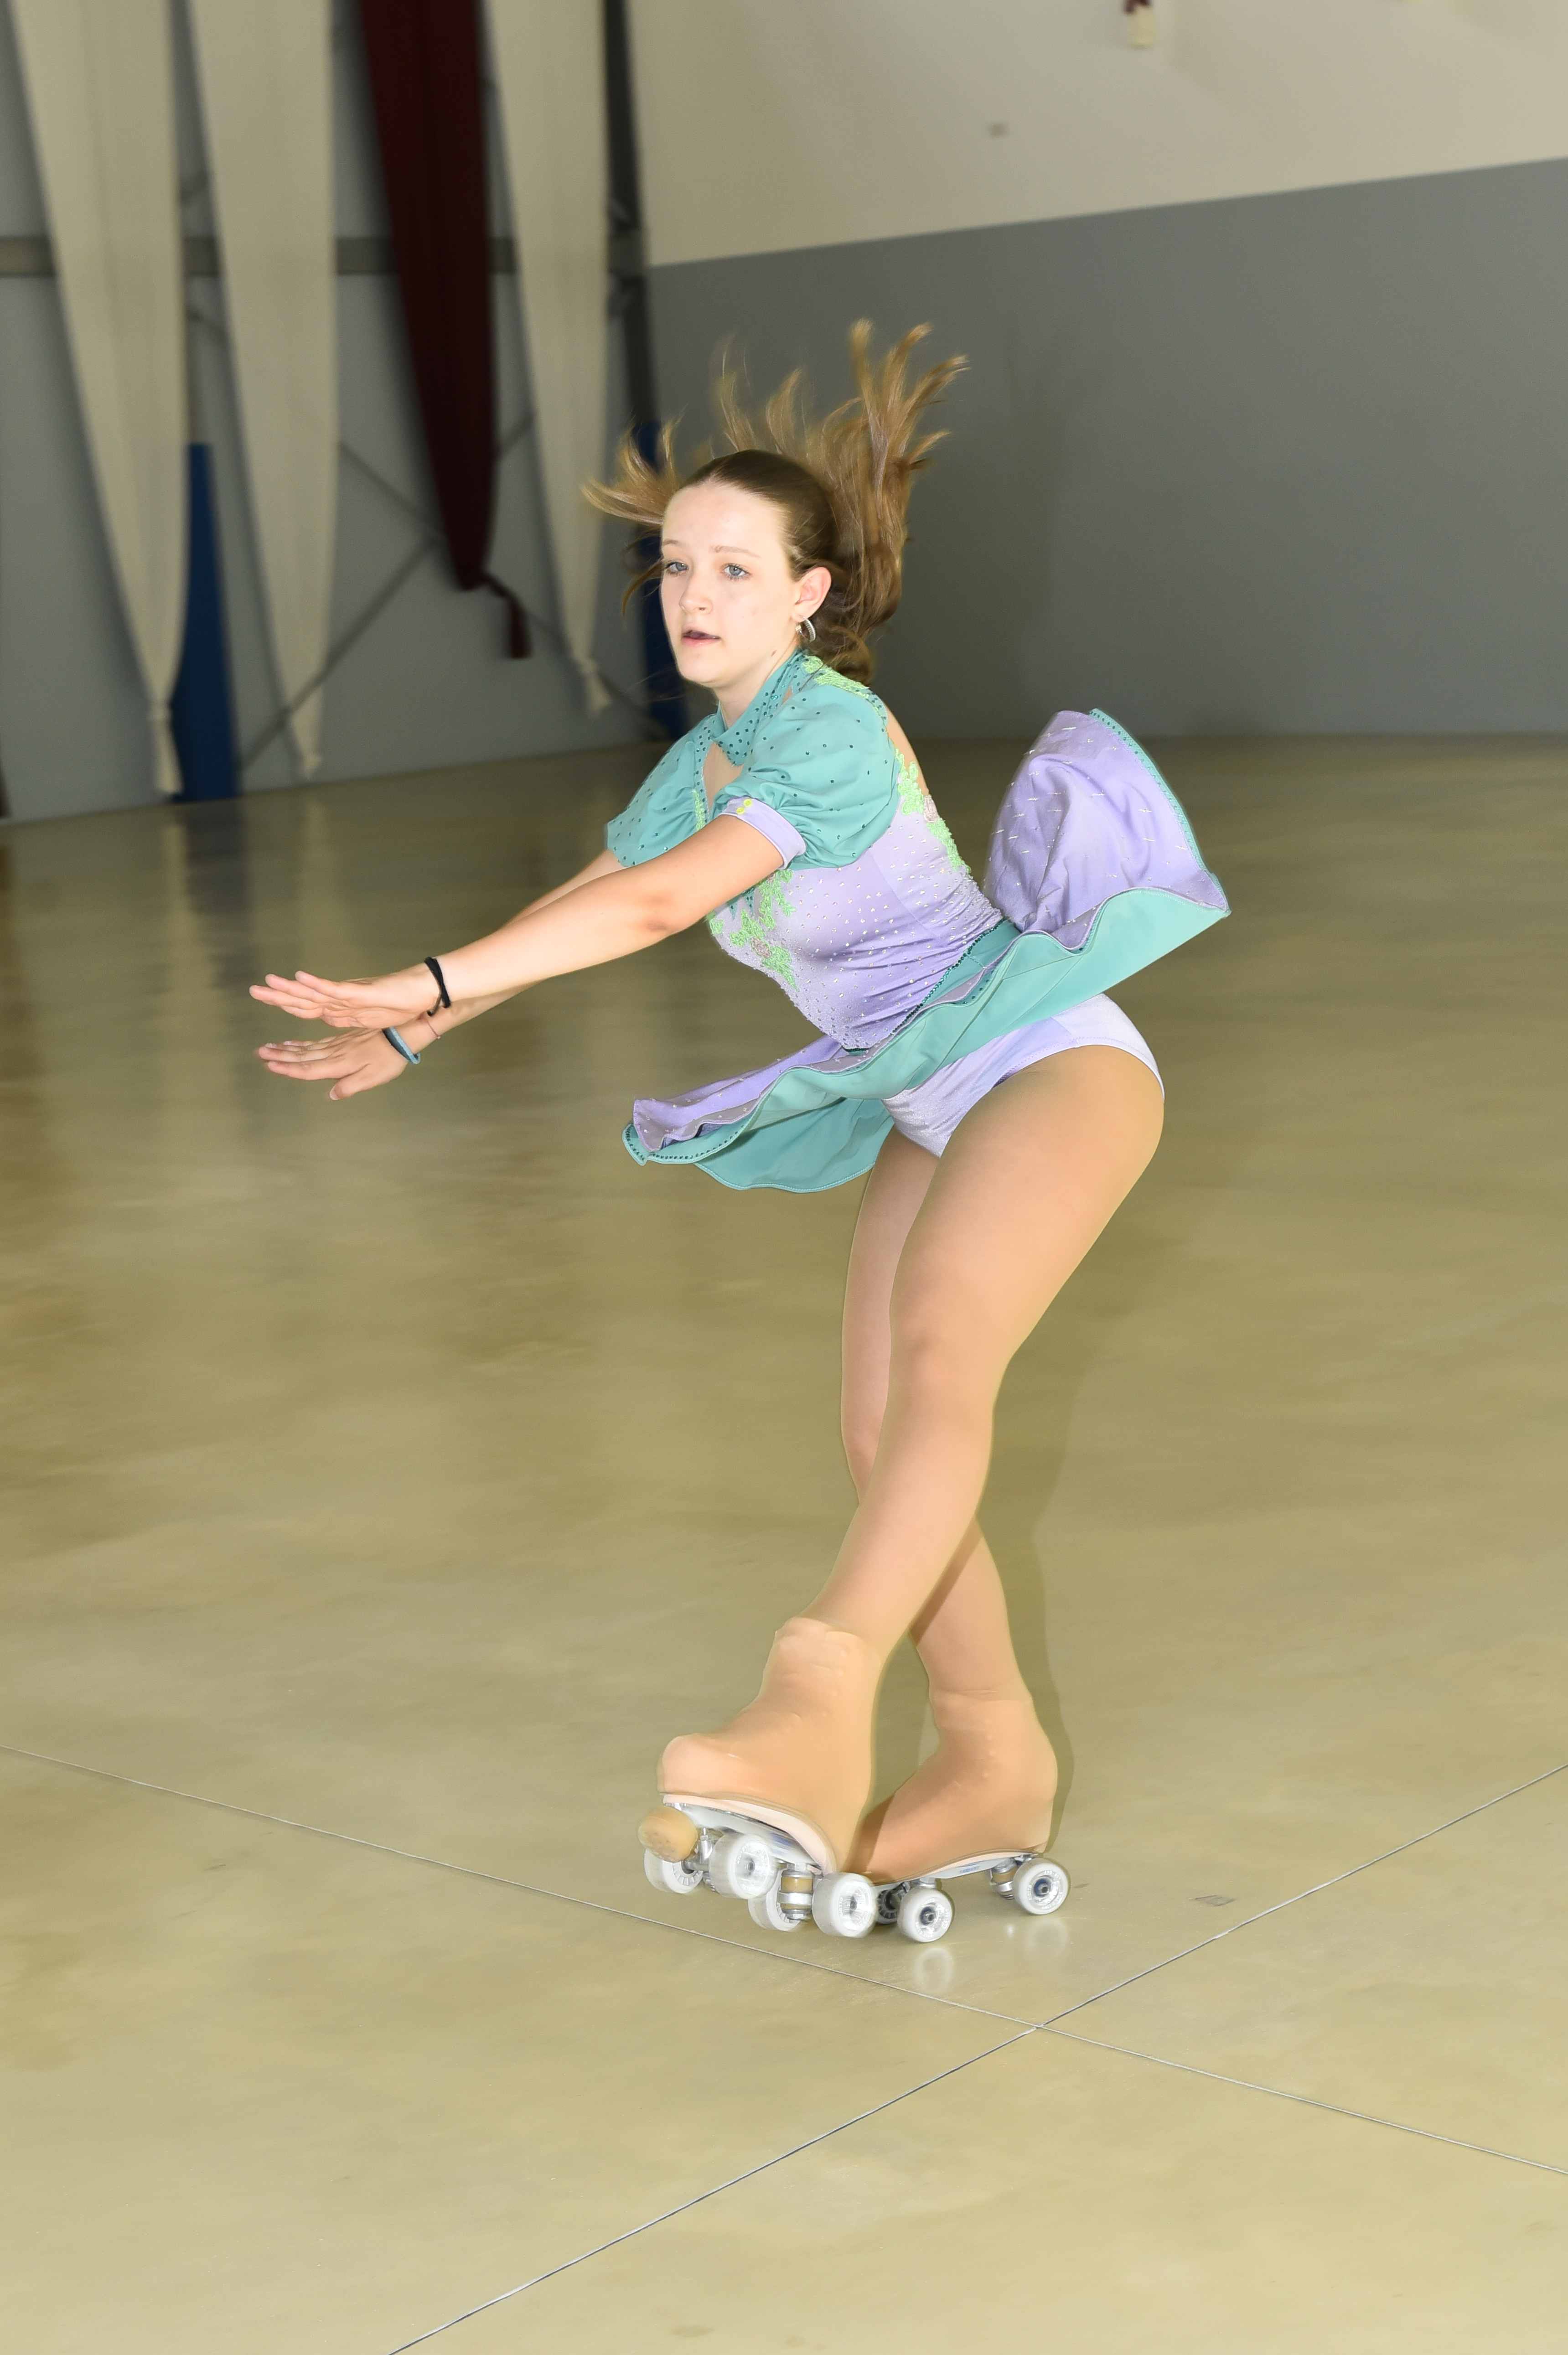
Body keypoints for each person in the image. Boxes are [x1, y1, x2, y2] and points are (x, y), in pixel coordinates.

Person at [252, 324, 1226, 1900]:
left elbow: (657, 913)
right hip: (921, 1089)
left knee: (941, 1362)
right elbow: (594, 893)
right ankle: (993, 1759)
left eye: (730, 569)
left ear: (806, 594)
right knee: (874, 1426)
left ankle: (817, 1697)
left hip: (1045, 1059)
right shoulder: (709, 761)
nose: (693, 596)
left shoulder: (824, 729)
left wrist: (419, 980)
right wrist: (417, 1032)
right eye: (673, 568)